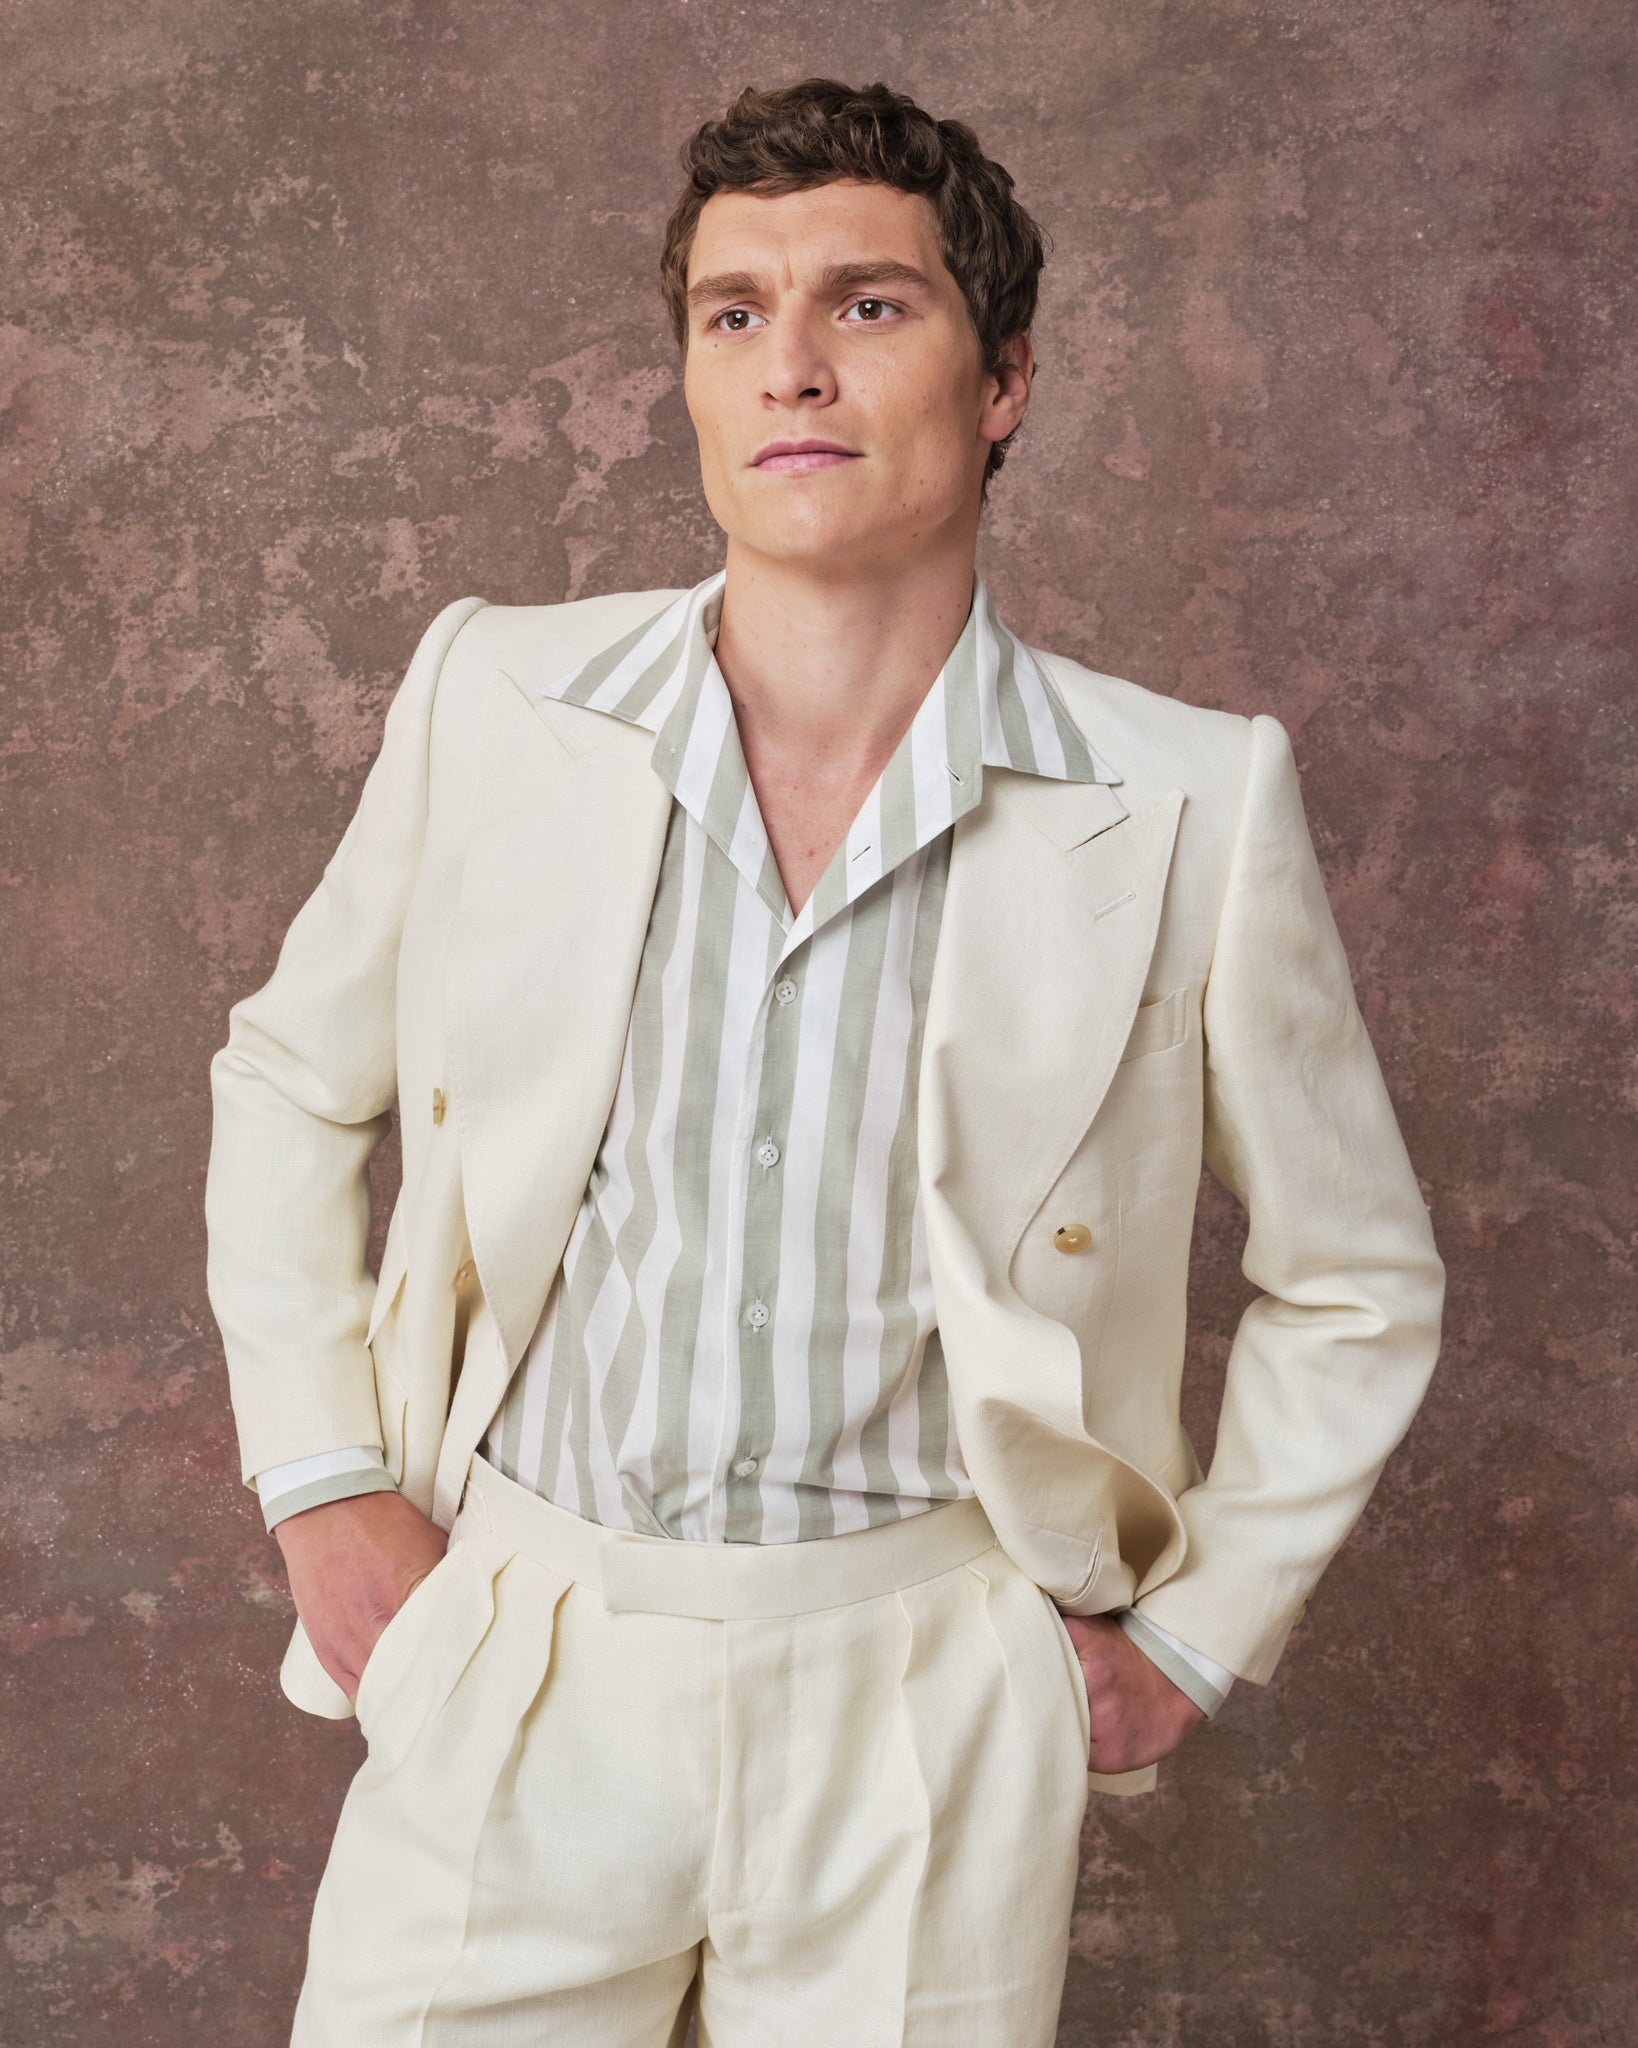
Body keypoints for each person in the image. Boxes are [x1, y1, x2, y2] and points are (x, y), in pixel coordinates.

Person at [204, 75, 1446, 2048]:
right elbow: (288, 1077)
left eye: (868, 304)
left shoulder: (1191, 798)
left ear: (1004, 377)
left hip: (925, 1693)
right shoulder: (495, 696)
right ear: (692, 375)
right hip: (517, 1653)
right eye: (735, 312)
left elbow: (1356, 1276)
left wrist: (1198, 1635)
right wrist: (323, 1477)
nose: (791, 362)